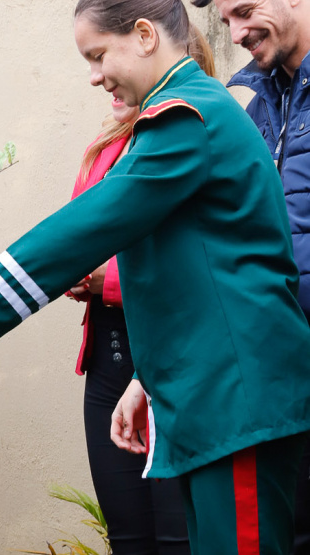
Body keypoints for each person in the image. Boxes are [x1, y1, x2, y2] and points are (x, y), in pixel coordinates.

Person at [0, 0, 310, 551]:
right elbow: (196, 275)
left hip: (236, 398)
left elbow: (94, 222)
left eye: (97, 56)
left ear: (142, 36)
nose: (93, 76)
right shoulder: (188, 111)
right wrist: (149, 382)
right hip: (217, 397)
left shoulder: (187, 116)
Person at [64, 25, 214, 555]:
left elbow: (195, 267)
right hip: (108, 362)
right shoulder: (104, 146)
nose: (105, 82)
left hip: (172, 362)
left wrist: (106, 282)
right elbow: (83, 235)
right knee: (128, 537)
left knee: (179, 538)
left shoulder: (194, 141)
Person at [192, 0, 310, 550]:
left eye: (244, 11)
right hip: (284, 374)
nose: (235, 34)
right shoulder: (262, 103)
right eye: (227, 20)